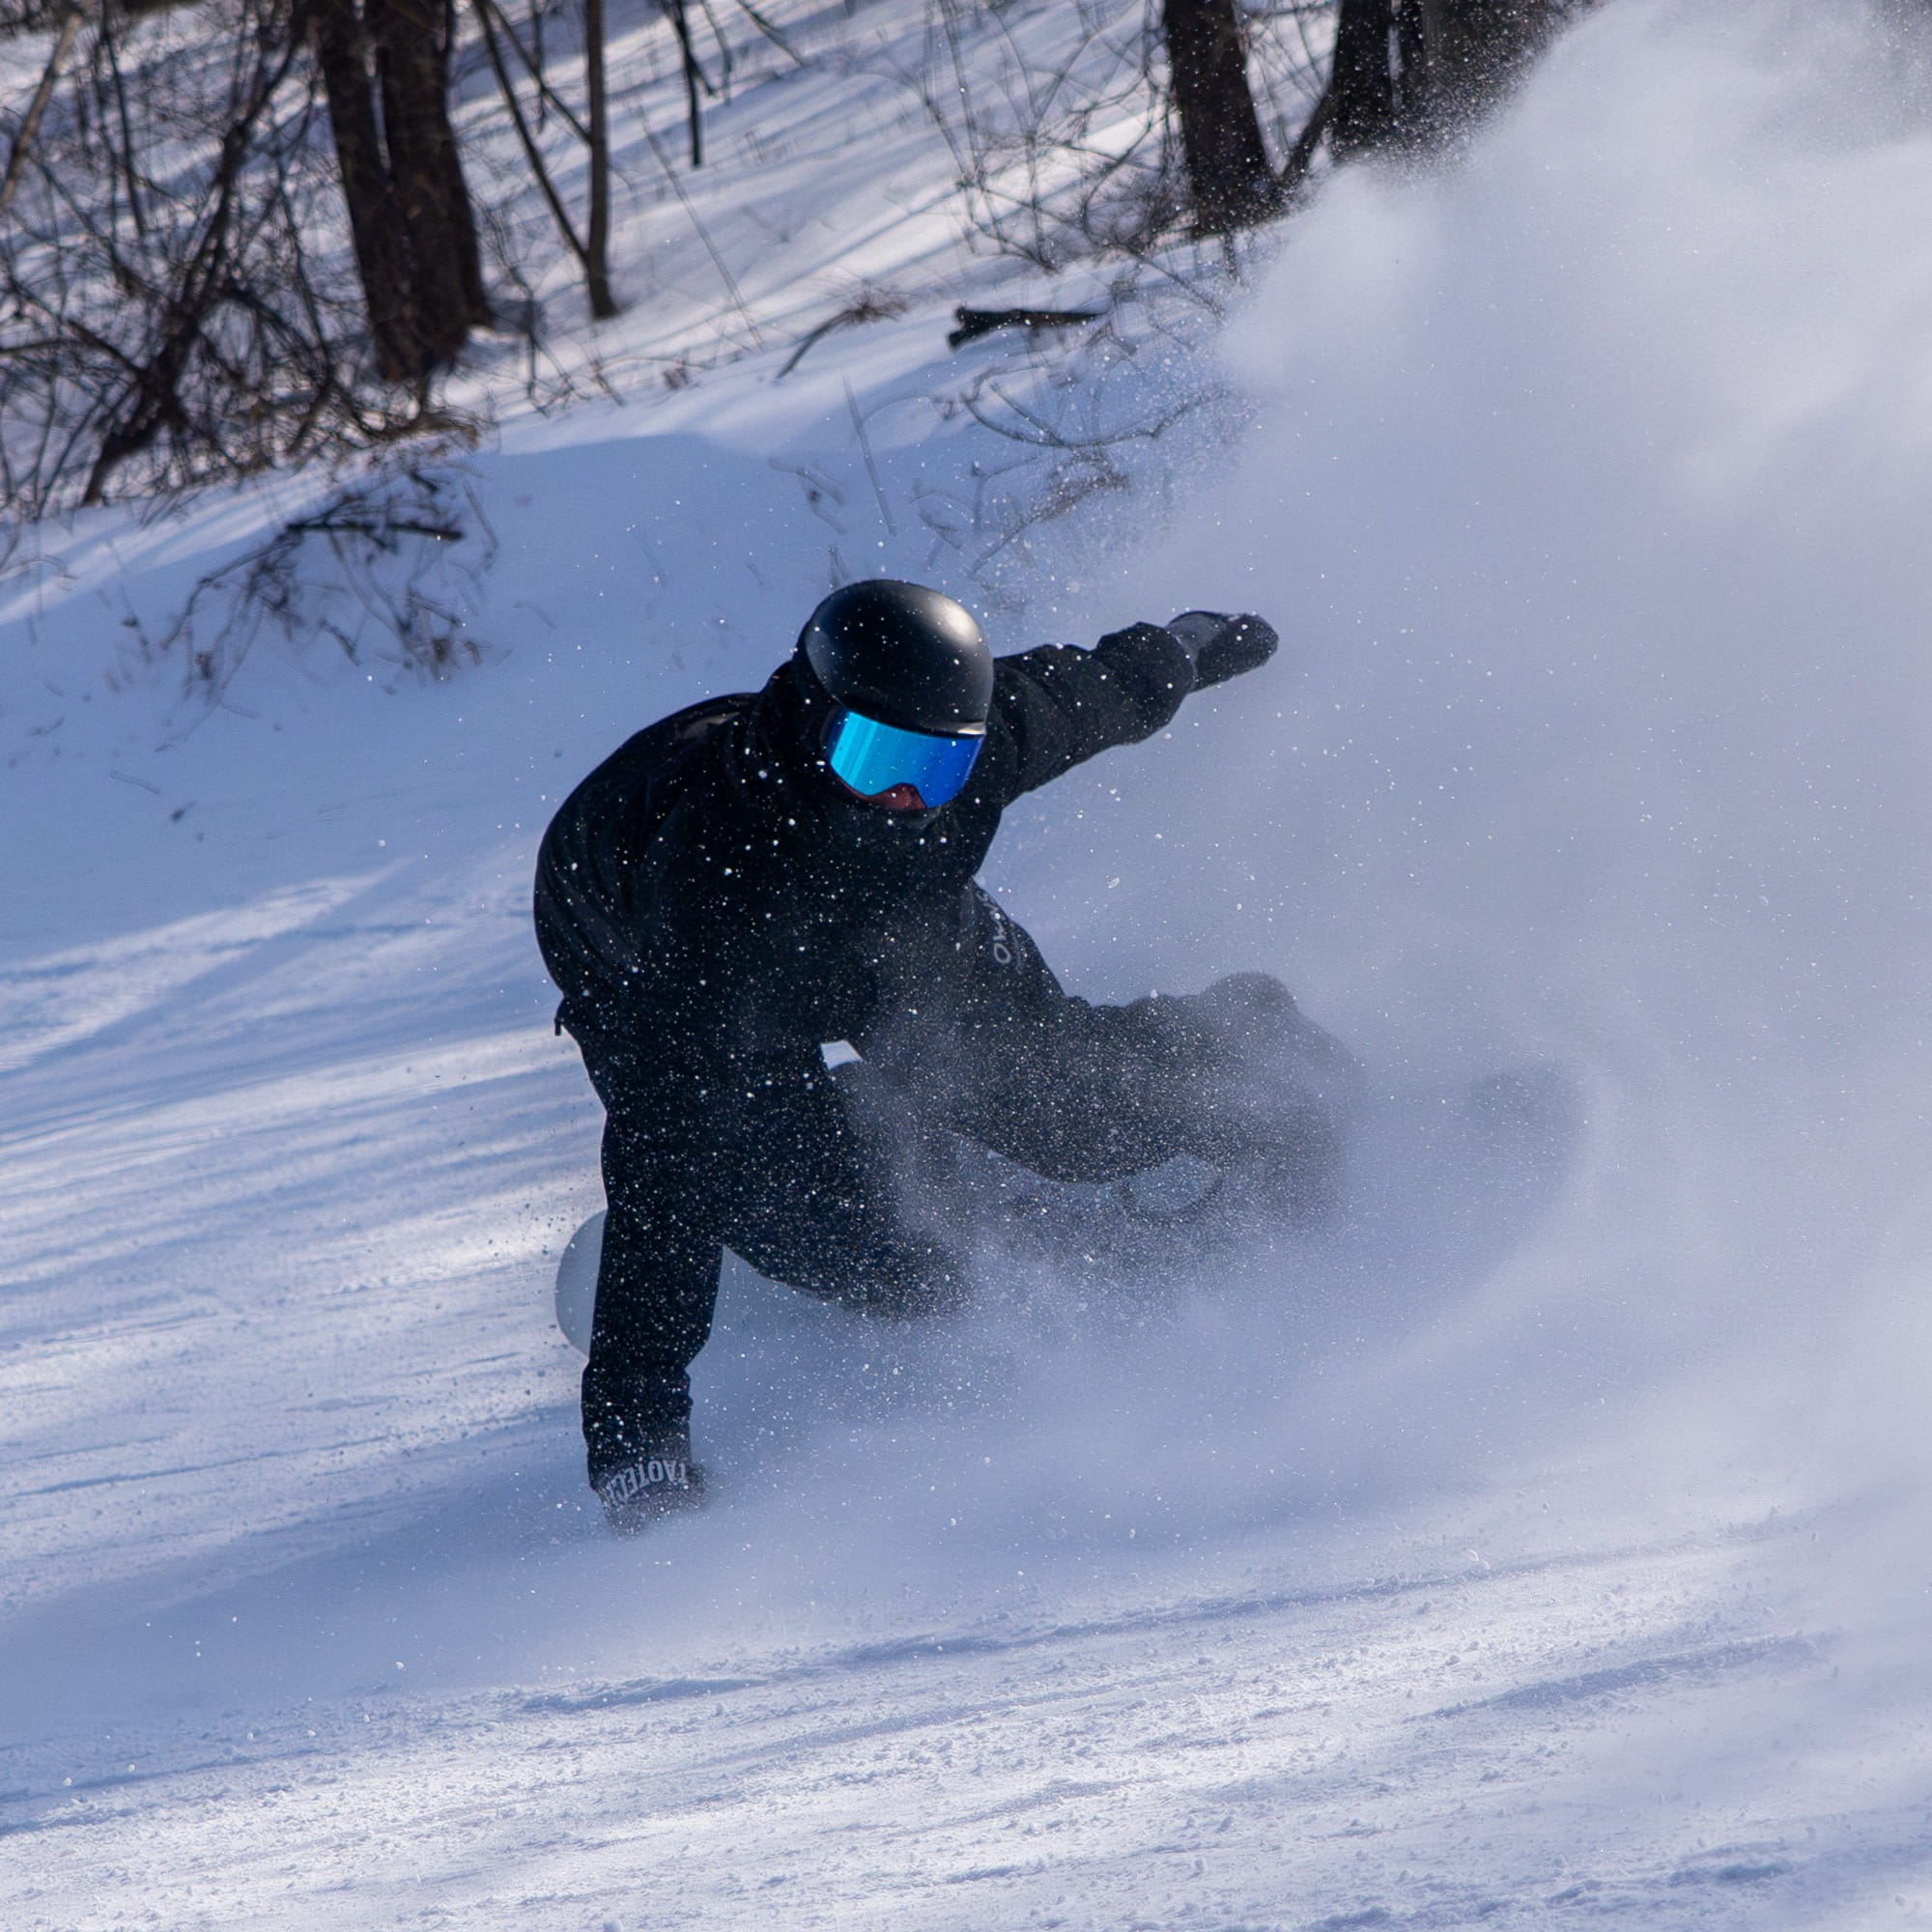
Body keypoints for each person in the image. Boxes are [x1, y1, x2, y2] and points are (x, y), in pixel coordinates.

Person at [534, 582, 1355, 1533]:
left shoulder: (959, 761)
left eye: (936, 766)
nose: (904, 795)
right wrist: (638, 1433)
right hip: (647, 935)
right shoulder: (709, 910)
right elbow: (664, 1157)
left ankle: (1248, 1040)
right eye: (876, 756)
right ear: (811, 722)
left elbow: (1086, 688)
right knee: (843, 1238)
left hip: (888, 924)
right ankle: (860, 1145)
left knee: (1064, 1110)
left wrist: (1187, 647)